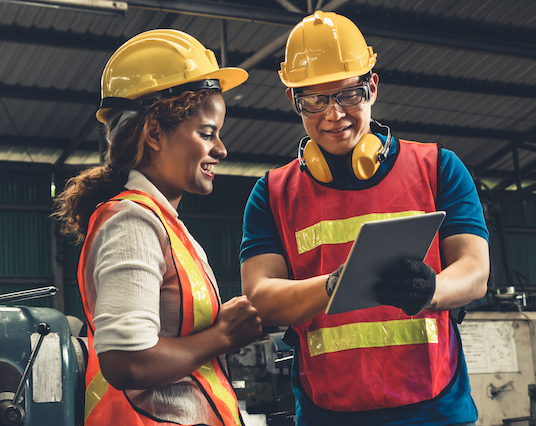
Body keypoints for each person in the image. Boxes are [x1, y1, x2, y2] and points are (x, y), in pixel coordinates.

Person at [239, 11, 489, 426]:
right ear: (293, 101)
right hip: (328, 412)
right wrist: (335, 285)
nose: (333, 115)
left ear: (371, 87)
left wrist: (433, 289)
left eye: (348, 95)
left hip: (434, 408)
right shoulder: (272, 194)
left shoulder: (438, 167)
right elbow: (261, 296)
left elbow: (475, 271)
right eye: (314, 101)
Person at [53, 29, 262, 426]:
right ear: (153, 135)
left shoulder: (164, 224)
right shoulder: (132, 222)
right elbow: (127, 363)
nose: (221, 149)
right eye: (207, 134)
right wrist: (223, 337)